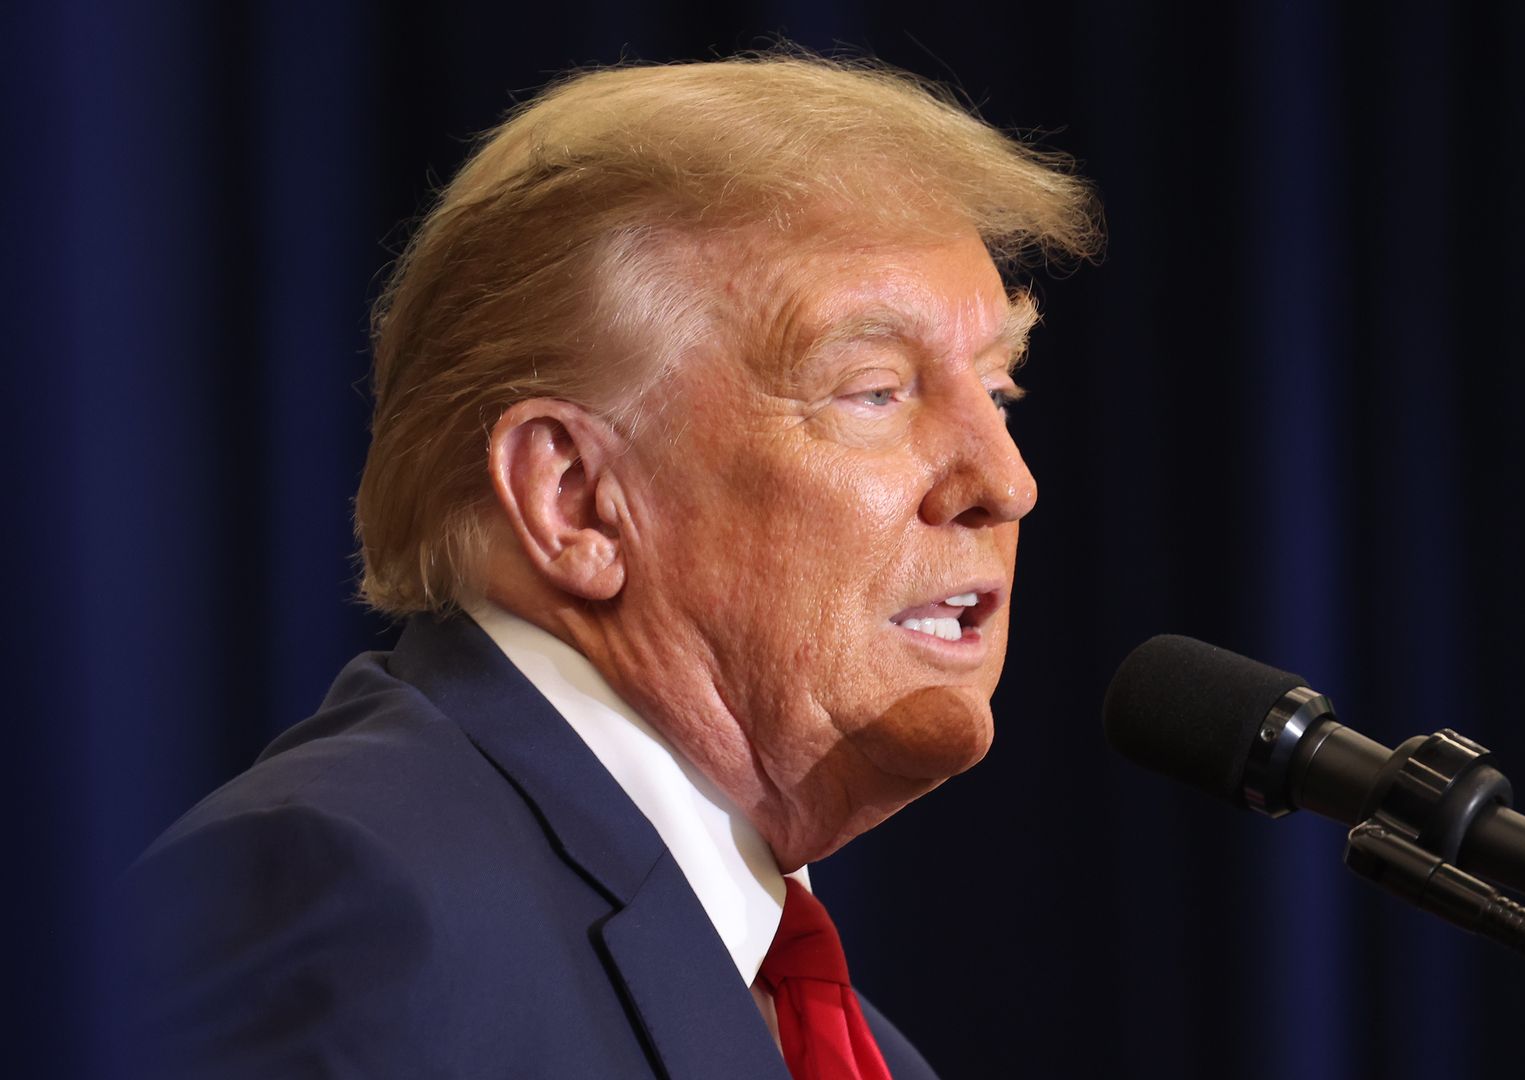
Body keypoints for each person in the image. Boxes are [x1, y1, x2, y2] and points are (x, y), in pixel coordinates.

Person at [119, 55, 1099, 1079]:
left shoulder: (857, 1049)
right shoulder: (344, 900)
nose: (1006, 480)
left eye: (999, 389)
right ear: (576, 500)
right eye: (873, 391)